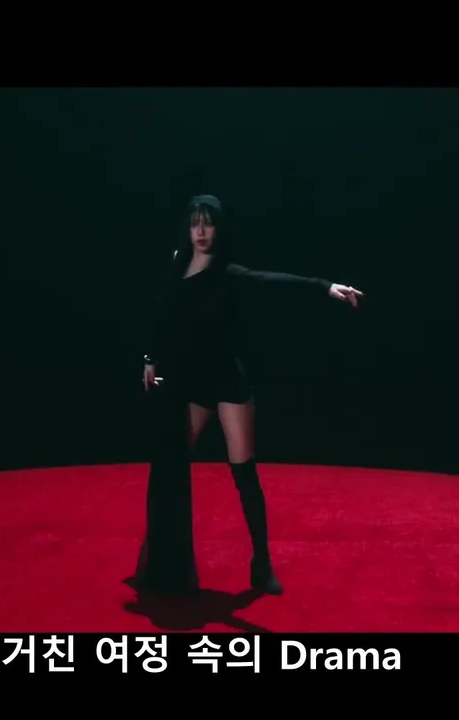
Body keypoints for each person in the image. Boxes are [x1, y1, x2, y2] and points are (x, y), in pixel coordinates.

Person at [134, 194, 363, 596]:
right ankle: (157, 556)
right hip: (191, 382)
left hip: (226, 380)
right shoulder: (177, 264)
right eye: (195, 223)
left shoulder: (228, 273)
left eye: (208, 223)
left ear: (218, 228)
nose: (201, 231)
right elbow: (162, 314)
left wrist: (325, 287)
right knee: (169, 465)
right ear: (187, 227)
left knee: (243, 473)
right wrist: (150, 359)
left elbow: (272, 282)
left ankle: (261, 562)